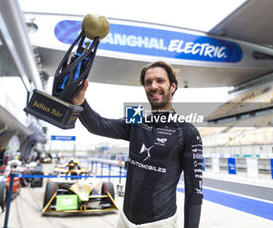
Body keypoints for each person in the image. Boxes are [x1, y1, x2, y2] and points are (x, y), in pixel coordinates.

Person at [72, 61, 203, 228]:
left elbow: (194, 192)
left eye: (160, 81)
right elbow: (98, 125)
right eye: (148, 82)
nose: (153, 86)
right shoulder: (137, 119)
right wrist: (81, 102)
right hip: (125, 220)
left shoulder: (188, 132)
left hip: (160, 223)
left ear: (173, 87)